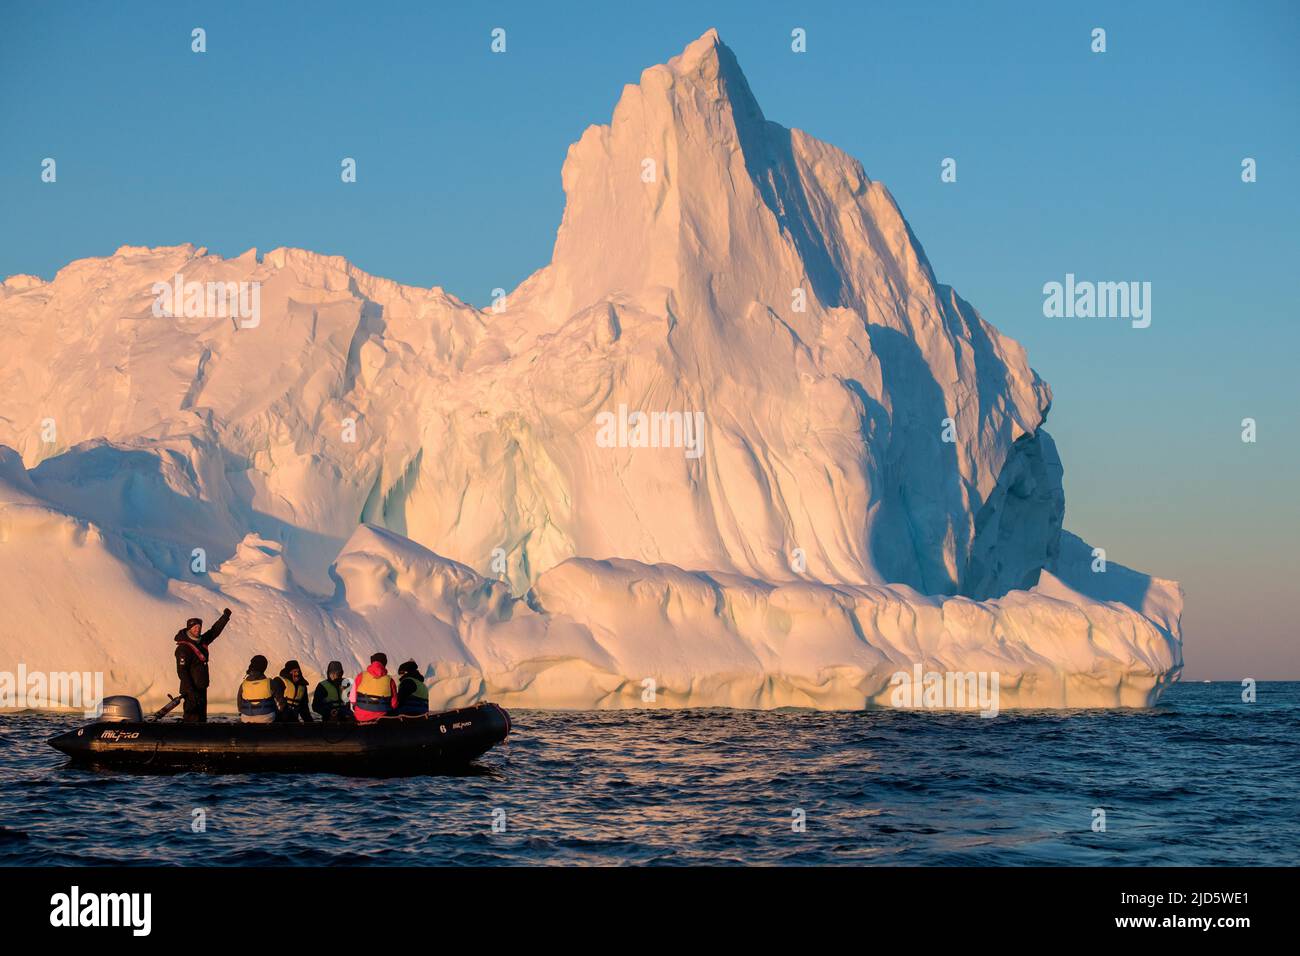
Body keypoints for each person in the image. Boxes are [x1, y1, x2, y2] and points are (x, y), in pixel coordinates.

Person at [173, 607, 232, 723]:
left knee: (201, 718)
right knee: (192, 717)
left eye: (199, 627)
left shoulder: (201, 641)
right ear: (189, 629)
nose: (197, 630)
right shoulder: (183, 648)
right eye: (195, 627)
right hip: (191, 689)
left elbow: (214, 631)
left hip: (201, 687)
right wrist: (191, 691)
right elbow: (182, 672)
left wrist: (225, 617)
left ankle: (201, 737)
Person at [350, 653, 397, 722]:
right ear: (385, 663)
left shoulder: (361, 676)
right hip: (382, 719)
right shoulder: (390, 680)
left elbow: (352, 700)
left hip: (360, 717)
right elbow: (394, 704)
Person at [237, 655, 277, 723]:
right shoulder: (270, 682)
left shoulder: (243, 684)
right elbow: (280, 703)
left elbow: (239, 705)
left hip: (246, 718)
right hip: (267, 718)